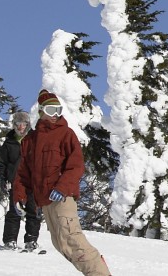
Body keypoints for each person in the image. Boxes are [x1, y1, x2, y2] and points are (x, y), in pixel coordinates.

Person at [13, 90, 111, 276]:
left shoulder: (65, 134)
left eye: (58, 110)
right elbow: (23, 174)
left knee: (72, 238)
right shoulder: (30, 141)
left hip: (62, 197)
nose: (55, 114)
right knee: (61, 244)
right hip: (45, 201)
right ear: (42, 111)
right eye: (51, 110)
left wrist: (62, 187)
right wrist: (20, 196)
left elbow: (76, 166)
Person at [0, 110, 41, 252]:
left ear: (27, 125)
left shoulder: (34, 140)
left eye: (23, 124)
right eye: (18, 124)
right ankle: (10, 240)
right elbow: (2, 163)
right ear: (14, 125)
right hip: (15, 182)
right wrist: (3, 179)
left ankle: (31, 240)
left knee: (33, 211)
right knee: (14, 211)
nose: (21, 127)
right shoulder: (9, 142)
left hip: (32, 182)